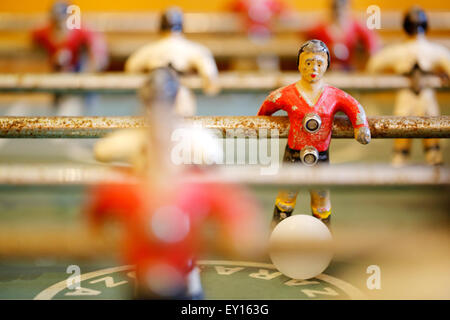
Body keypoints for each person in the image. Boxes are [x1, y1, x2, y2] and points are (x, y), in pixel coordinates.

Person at [87, 68, 266, 299]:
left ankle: (189, 283)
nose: (159, 113)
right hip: (147, 200)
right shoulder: (127, 170)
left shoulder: (196, 151)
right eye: (153, 102)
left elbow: (240, 223)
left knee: (185, 255)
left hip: (181, 201)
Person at [257, 40, 371, 228]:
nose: (314, 69)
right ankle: (275, 236)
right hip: (293, 155)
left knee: (321, 197)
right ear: (300, 64)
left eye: (319, 63)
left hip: (321, 156)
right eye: (308, 63)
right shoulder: (287, 94)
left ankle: (325, 239)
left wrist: (361, 126)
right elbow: (268, 105)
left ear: (326, 65)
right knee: (286, 196)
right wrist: (260, 126)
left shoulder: (333, 95)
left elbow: (353, 105)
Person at [367, 7, 449, 166]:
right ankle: (429, 158)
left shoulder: (398, 51)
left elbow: (373, 65)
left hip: (408, 96)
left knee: (405, 130)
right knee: (428, 129)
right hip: (423, 96)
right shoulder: (434, 50)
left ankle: (403, 161)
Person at [125, 7, 219, 116]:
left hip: (156, 93)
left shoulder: (150, 49)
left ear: (160, 27)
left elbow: (130, 67)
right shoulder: (194, 48)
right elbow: (210, 77)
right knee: (183, 125)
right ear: (182, 27)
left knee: (156, 126)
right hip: (180, 91)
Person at [32, 1, 108, 73]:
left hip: (79, 70)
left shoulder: (82, 31)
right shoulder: (43, 33)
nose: (60, 25)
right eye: (56, 21)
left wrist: (87, 71)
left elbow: (99, 56)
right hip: (56, 72)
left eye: (63, 20)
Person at [305, 0, 378, 71]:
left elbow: (372, 43)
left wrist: (368, 61)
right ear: (331, 9)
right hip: (326, 70)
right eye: (335, 8)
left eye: (342, 8)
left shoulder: (355, 26)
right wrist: (327, 50)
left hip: (350, 69)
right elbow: (307, 45)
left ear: (347, 9)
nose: (339, 12)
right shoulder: (321, 28)